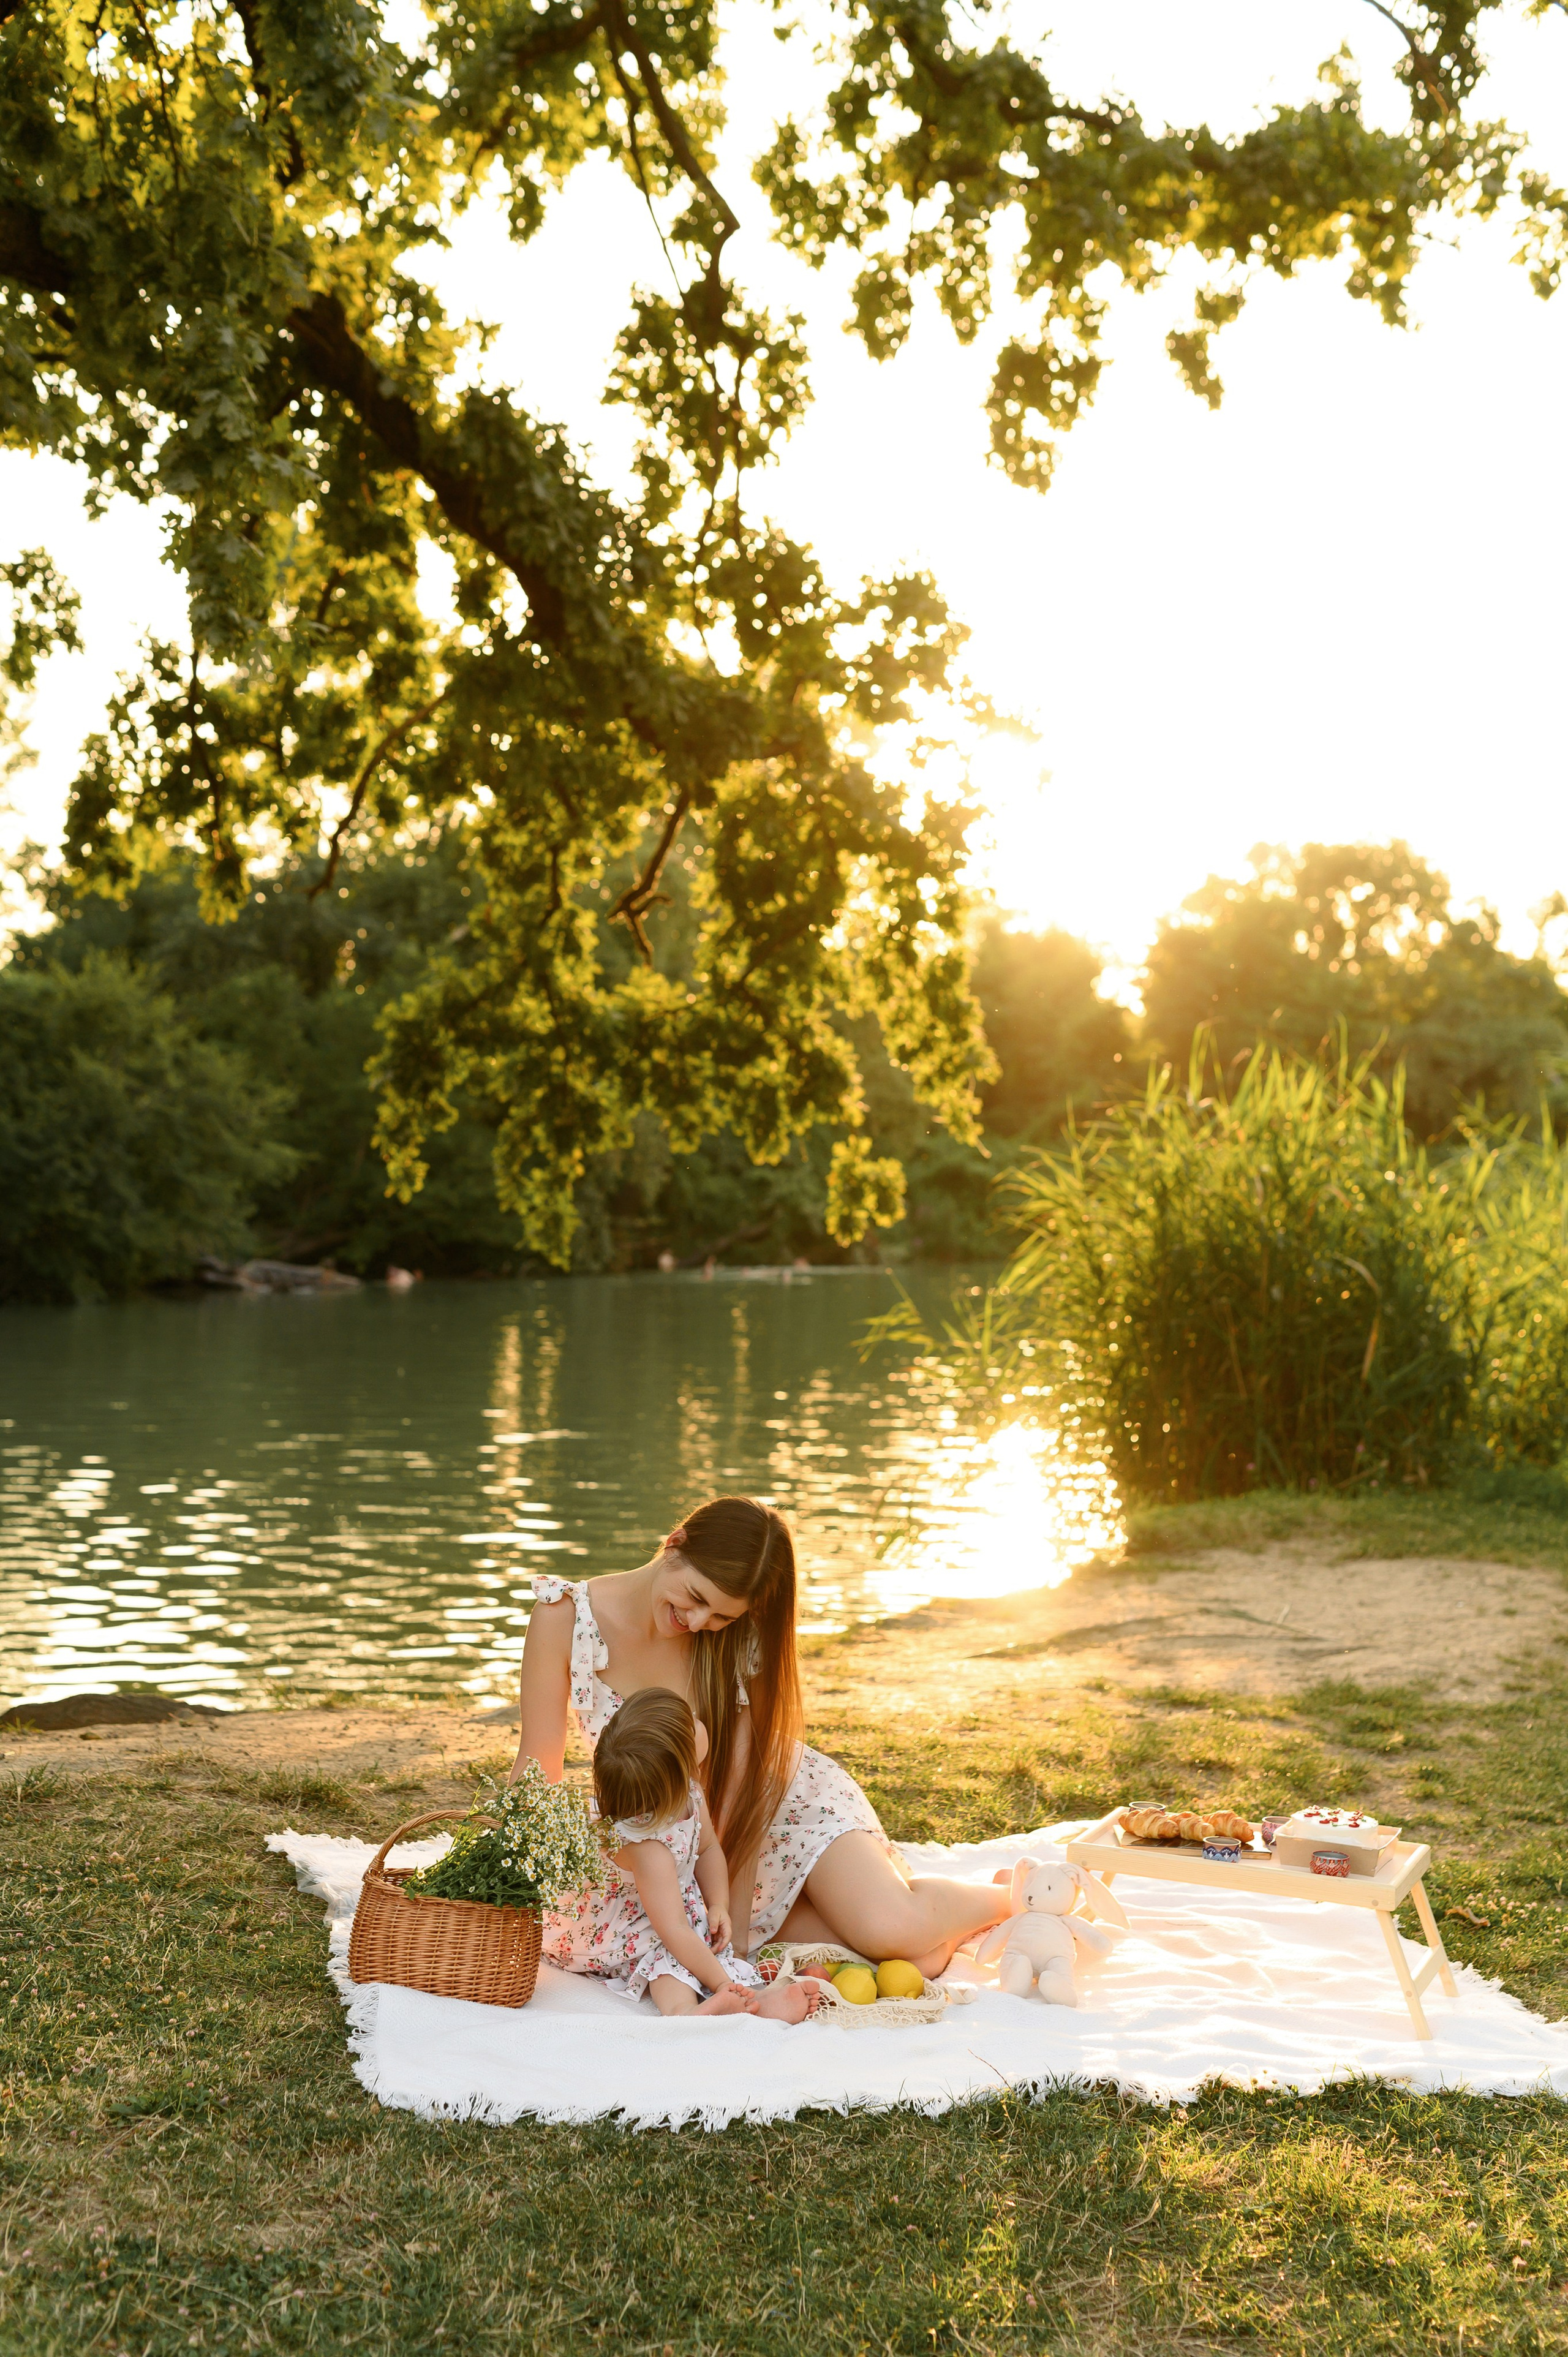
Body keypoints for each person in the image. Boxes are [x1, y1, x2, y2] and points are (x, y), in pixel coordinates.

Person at [513, 1494, 1012, 1974]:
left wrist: (738, 1930)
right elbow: (537, 1768)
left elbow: (745, 1781)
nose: (699, 1622)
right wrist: (501, 1868)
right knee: (918, 1961)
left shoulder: (733, 1638)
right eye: (696, 1598)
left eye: (722, 1616)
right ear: (675, 1543)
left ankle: (1016, 1894)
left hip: (779, 1807)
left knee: (891, 1931)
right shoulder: (566, 1617)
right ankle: (907, 1917)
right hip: (686, 1835)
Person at [547, 1686, 820, 2021]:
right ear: (684, 1760)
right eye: (693, 1723)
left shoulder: (688, 1792)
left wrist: (718, 1903)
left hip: (669, 1908)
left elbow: (707, 1848)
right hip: (628, 1926)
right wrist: (722, 1983)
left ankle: (752, 2001)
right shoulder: (648, 1850)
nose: (699, 1721)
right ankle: (686, 2013)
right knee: (666, 1956)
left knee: (701, 1944)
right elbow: (673, 1930)